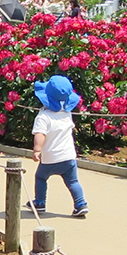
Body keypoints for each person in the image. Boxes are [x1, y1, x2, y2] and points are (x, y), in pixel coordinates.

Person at [27, 75, 88, 218]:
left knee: (41, 178)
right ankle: (81, 204)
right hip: (68, 157)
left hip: (50, 158)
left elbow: (40, 134)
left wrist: (37, 150)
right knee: (73, 182)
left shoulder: (43, 116)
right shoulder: (67, 114)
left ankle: (40, 202)